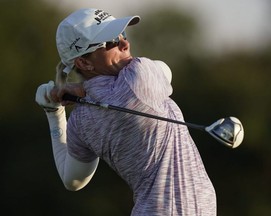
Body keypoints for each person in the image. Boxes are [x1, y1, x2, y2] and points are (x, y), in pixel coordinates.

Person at [35, 8, 216, 215]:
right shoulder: (138, 77)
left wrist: (54, 112)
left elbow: (72, 179)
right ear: (84, 62)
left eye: (123, 35)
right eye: (112, 42)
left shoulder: (80, 119)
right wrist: (82, 90)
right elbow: (165, 69)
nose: (125, 44)